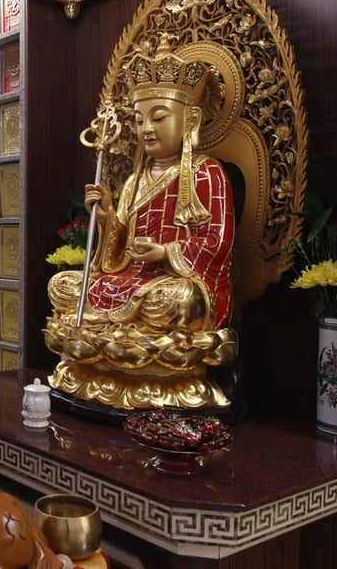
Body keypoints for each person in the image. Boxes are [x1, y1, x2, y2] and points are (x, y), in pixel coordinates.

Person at [45, 37, 236, 410]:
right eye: (138, 119)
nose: (146, 128)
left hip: (169, 287)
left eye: (159, 117)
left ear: (190, 119)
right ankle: (114, 345)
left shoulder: (207, 173)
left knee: (176, 301)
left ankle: (125, 351)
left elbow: (219, 240)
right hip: (129, 281)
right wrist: (106, 218)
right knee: (64, 286)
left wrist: (166, 251)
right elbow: (116, 253)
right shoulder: (133, 181)